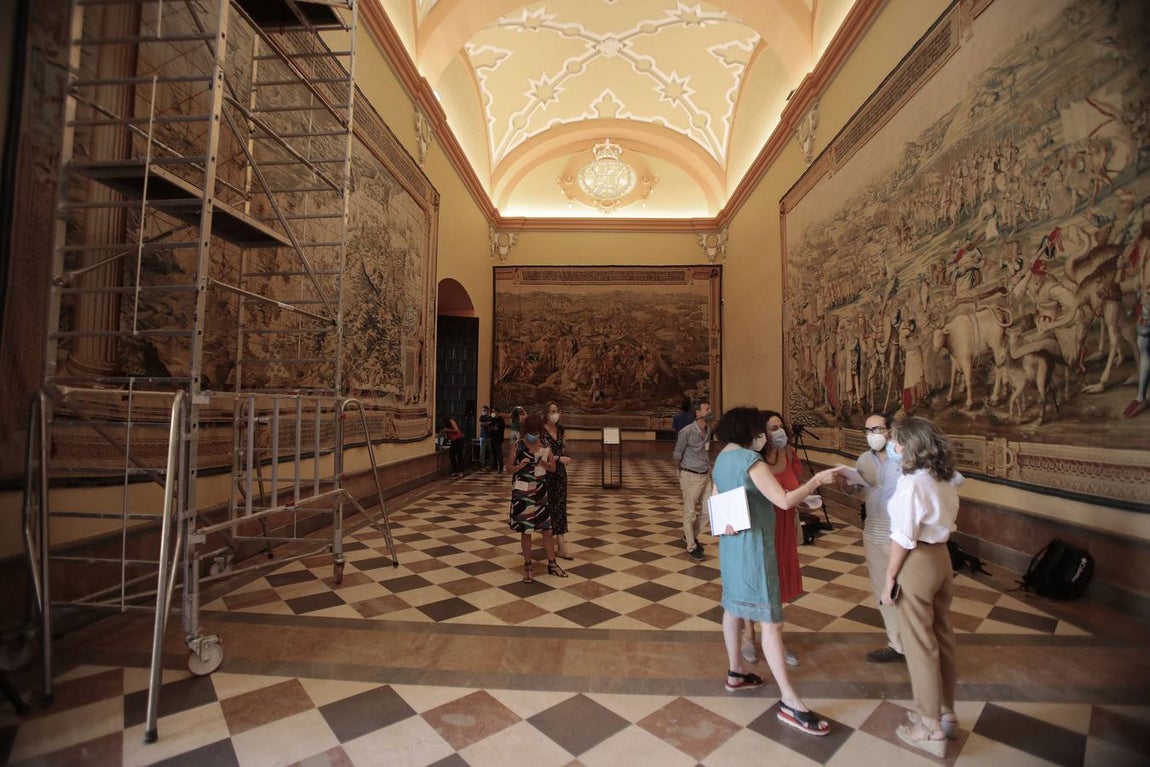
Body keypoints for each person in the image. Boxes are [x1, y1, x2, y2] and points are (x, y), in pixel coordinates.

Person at [711, 406, 841, 736]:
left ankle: (736, 672)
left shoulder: (723, 457)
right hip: (755, 546)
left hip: (731, 544)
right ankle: (790, 702)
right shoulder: (749, 461)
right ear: (748, 431)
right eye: (760, 431)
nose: (763, 437)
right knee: (772, 621)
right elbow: (783, 501)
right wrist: (815, 481)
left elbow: (715, 499)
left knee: (732, 608)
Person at [879, 416, 960, 758]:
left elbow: (903, 537)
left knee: (919, 645)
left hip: (917, 562)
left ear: (909, 445)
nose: (892, 448)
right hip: (942, 558)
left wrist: (889, 580)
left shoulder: (913, 483)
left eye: (896, 442)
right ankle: (945, 711)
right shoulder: (944, 477)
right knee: (942, 637)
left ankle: (928, 728)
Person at [742, 411, 802, 668]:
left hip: (785, 527)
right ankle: (748, 634)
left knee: (778, 581)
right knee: (756, 579)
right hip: (761, 527)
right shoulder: (753, 460)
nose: (779, 432)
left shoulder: (789, 455)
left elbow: (796, 484)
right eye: (772, 428)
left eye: (780, 426)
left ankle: (775, 636)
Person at [847, 413, 907, 664]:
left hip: (899, 532)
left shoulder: (905, 458)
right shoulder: (863, 459)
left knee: (905, 590)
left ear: (890, 430)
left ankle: (915, 642)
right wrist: (848, 484)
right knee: (882, 590)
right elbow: (857, 488)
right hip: (873, 528)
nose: (872, 434)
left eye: (877, 429)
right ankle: (896, 643)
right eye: (867, 430)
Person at [508, 415, 566, 584]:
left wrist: (544, 464)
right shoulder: (517, 444)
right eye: (531, 432)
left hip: (540, 492)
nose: (534, 435)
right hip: (522, 493)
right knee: (526, 531)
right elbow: (509, 468)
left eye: (537, 432)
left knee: (547, 530)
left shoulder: (545, 445)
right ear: (525, 431)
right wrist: (520, 466)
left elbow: (553, 468)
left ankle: (552, 563)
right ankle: (528, 566)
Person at [672, 399, 713, 561]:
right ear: (698, 413)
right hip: (690, 474)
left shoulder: (709, 429)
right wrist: (679, 472)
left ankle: (690, 535)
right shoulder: (687, 431)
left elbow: (706, 450)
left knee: (708, 510)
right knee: (689, 512)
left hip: (705, 474)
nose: (710, 411)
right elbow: (677, 453)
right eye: (707, 409)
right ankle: (691, 545)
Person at [541, 402, 573, 559]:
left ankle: (561, 544)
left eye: (557, 411)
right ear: (546, 414)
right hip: (546, 472)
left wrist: (563, 453)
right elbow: (542, 453)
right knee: (546, 506)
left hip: (560, 473)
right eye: (552, 411)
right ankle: (547, 538)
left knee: (560, 506)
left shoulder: (560, 430)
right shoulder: (541, 431)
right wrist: (560, 458)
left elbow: (563, 447)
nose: (555, 413)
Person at [488, 406, 506, 473]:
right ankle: (494, 467)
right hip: (492, 438)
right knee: (493, 453)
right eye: (492, 411)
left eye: (494, 411)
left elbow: (496, 428)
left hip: (498, 439)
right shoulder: (493, 419)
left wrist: (491, 427)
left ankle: (501, 468)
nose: (493, 413)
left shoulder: (500, 419)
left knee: (499, 454)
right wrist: (491, 427)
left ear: (497, 412)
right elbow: (489, 428)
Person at [478, 405, 493, 470]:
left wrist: (485, 424)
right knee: (482, 450)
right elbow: (480, 424)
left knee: (490, 450)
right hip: (482, 436)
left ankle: (491, 464)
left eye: (484, 410)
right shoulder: (481, 417)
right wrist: (487, 423)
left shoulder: (490, 417)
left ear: (487, 410)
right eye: (482, 411)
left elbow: (491, 423)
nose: (483, 412)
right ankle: (482, 464)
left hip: (489, 436)